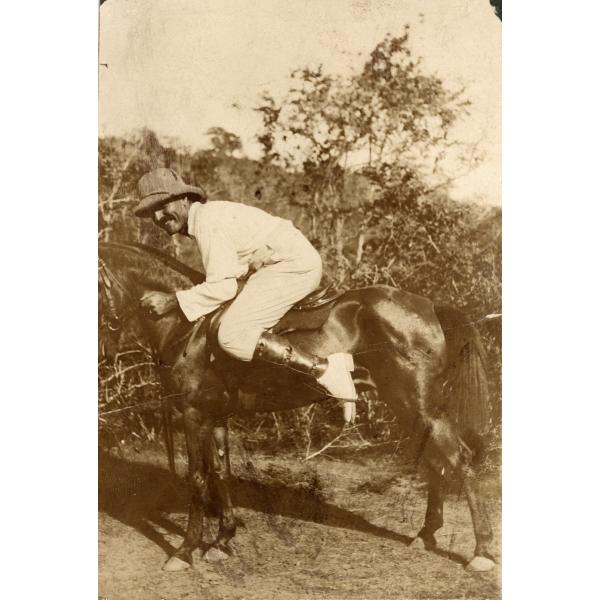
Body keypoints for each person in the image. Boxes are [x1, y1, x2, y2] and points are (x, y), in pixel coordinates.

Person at [135, 167, 357, 402]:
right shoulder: (205, 218)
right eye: (152, 212)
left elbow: (224, 287)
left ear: (182, 199)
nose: (158, 217)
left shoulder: (207, 221)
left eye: (162, 206)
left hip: (291, 264)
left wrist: (172, 300)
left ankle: (323, 369)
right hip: (282, 262)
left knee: (232, 335)